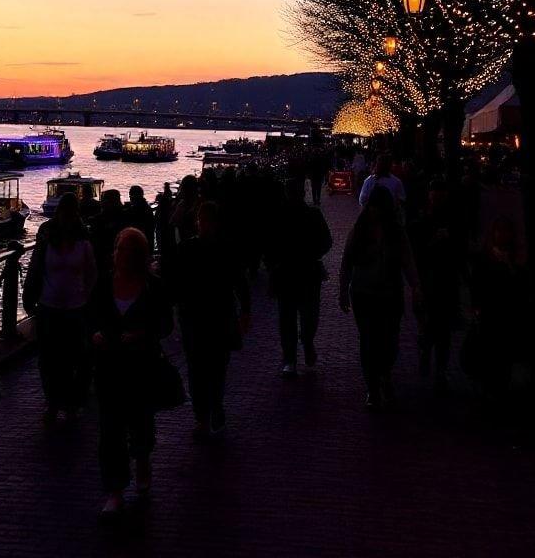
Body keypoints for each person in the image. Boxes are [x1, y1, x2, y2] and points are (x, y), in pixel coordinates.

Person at [91, 227, 174, 518]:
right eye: (121, 250)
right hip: (109, 366)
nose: (124, 256)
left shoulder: (153, 287)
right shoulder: (103, 284)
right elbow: (89, 317)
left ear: (140, 256)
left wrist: (142, 334)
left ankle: (141, 459)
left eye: (130, 251)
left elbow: (166, 325)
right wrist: (95, 335)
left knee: (140, 422)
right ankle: (114, 490)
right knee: (110, 429)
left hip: (141, 366)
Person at [170, 201, 251, 438]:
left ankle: (209, 411)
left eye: (205, 220)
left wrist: (245, 310)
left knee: (211, 368)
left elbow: (239, 282)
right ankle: (206, 414)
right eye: (201, 220)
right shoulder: (221, 249)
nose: (203, 225)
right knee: (202, 369)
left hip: (208, 317)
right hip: (205, 317)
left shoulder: (191, 249)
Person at [339, 187, 421, 411]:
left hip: (389, 293)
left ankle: (384, 374)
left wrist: (415, 285)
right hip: (365, 293)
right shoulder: (360, 230)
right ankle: (373, 386)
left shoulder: (396, 231)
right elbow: (347, 261)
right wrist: (343, 289)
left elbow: (407, 259)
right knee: (368, 340)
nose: (375, 211)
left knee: (388, 339)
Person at [23, 192, 97, 423]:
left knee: (76, 358)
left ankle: (72, 403)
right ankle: (54, 403)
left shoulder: (83, 239)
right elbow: (36, 267)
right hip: (49, 306)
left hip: (76, 307)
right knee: (49, 359)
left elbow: (91, 271)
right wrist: (30, 298)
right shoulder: (47, 237)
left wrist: (86, 295)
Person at [266, 178, 332, 375]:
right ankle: (293, 354)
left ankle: (296, 352)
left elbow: (269, 245)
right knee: (301, 315)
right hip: (302, 272)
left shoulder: (301, 215)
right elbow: (327, 241)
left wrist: (273, 263)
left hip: (293, 272)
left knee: (292, 317)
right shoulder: (307, 215)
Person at [408, 179, 464, 396]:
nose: (437, 196)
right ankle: (428, 351)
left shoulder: (450, 219)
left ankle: (438, 365)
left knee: (442, 327)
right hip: (429, 279)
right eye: (435, 192)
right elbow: (416, 248)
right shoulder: (423, 219)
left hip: (443, 280)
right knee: (433, 324)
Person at [469, 216, 528, 404]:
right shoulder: (485, 258)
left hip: (507, 313)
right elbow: (476, 284)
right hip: (491, 313)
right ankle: (491, 389)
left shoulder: (515, 258)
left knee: (504, 355)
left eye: (505, 231)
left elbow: (521, 284)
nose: (502, 235)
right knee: (492, 353)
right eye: (499, 231)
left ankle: (498, 390)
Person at [90, 189, 128, 280]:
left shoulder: (98, 219)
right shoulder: (126, 216)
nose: (101, 203)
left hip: (105, 258)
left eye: (103, 200)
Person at [125, 184, 156, 252]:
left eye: (131, 195)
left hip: (140, 243)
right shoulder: (146, 208)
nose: (130, 198)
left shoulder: (139, 210)